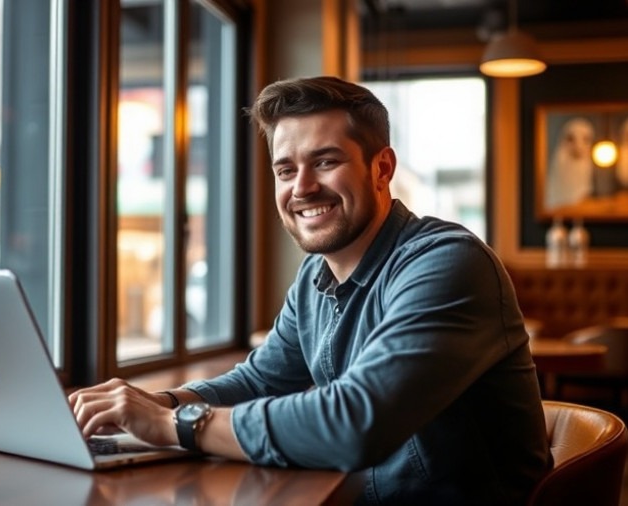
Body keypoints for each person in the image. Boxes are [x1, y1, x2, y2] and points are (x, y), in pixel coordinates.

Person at [69, 76, 552, 505]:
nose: (301, 188)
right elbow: (258, 383)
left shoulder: (448, 261)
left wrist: (175, 427)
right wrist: (159, 403)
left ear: (382, 168)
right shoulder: (314, 278)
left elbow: (355, 423)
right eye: (285, 170)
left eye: (325, 161)